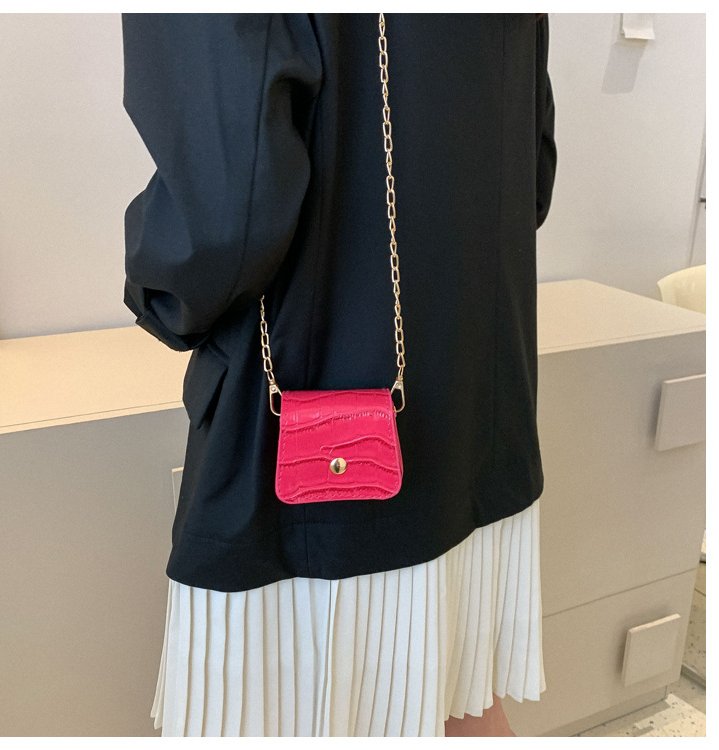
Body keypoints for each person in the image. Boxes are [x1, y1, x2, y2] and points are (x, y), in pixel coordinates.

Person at [121, 12, 557, 737]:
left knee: (289, 716)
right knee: (460, 708)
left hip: (309, 414)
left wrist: (155, 293)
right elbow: (531, 176)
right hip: (484, 404)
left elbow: (223, 215)